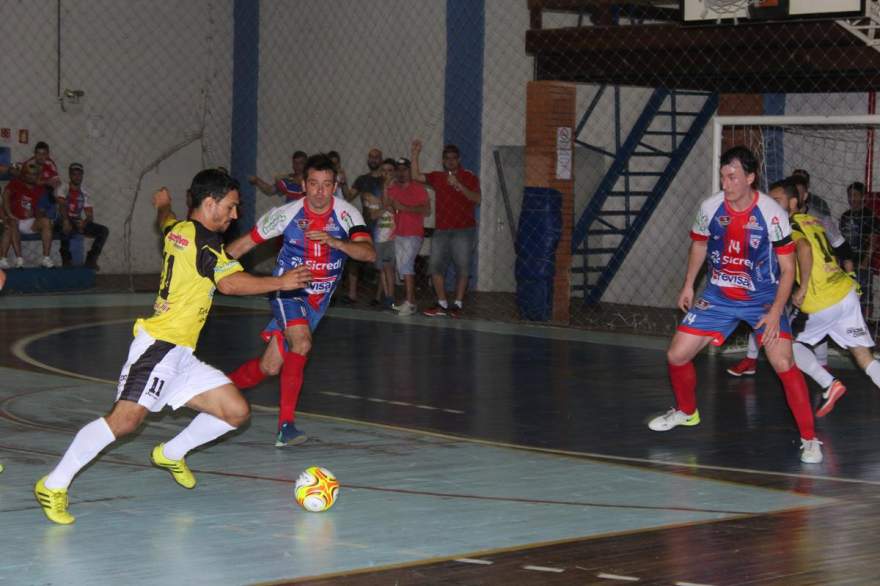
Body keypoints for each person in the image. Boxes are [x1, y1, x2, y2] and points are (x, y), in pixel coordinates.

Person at [33, 170, 313, 525]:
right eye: (230, 206)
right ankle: (53, 484)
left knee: (235, 411)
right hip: (158, 349)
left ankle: (170, 452)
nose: (234, 214)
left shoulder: (179, 230)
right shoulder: (206, 244)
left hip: (180, 353)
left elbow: (165, 221)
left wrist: (163, 205)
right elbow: (230, 285)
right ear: (209, 204)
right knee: (125, 422)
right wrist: (282, 281)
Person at [647, 146, 822, 465]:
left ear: (750, 178)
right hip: (718, 295)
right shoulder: (710, 207)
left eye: (733, 177)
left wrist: (774, 313)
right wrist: (688, 283)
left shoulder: (772, 214)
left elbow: (787, 270)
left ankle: (810, 439)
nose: (725, 183)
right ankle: (687, 412)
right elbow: (699, 243)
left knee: (783, 364)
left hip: (763, 299)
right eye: (723, 176)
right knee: (676, 354)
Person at [225, 154, 375, 446]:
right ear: (304, 185)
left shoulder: (346, 215)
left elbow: (368, 253)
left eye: (327, 185)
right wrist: (204, 268)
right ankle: (286, 427)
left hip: (318, 301)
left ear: (335, 186)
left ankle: (216, 391)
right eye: (314, 184)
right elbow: (243, 245)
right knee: (302, 343)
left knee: (269, 367)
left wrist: (336, 242)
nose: (320, 191)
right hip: (288, 290)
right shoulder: (286, 214)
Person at [768, 179, 880, 417]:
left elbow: (805, 249)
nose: (772, 205)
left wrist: (803, 286)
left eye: (777, 200)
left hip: (822, 298)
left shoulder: (789, 225)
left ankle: (829, 383)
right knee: (863, 355)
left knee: (784, 345)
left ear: (793, 202)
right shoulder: (814, 220)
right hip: (844, 292)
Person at [410, 140, 481, 318]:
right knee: (435, 266)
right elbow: (416, 176)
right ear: (443, 161)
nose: (450, 161)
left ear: (459, 159)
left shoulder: (469, 176)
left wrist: (458, 185)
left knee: (463, 267)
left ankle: (457, 304)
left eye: (453, 158)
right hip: (442, 230)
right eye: (447, 158)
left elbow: (476, 199)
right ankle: (441, 303)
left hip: (464, 230)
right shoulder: (437, 177)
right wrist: (415, 154)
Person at [388, 157, 431, 316]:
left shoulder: (418, 188)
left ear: (409, 171)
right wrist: (386, 185)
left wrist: (404, 208)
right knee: (403, 268)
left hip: (413, 233)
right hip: (398, 232)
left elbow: (427, 211)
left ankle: (410, 302)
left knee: (406, 266)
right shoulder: (393, 188)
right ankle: (410, 302)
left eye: (404, 169)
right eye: (398, 170)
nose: (401, 173)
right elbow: (389, 205)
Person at [344, 148, 385, 304]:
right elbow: (348, 196)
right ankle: (352, 294)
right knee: (354, 258)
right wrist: (343, 182)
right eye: (371, 157)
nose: (373, 159)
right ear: (368, 160)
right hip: (365, 225)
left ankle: (379, 297)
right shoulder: (362, 179)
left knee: (381, 261)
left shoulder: (387, 179)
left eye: (376, 157)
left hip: (384, 226)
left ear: (381, 159)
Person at [55, 162, 110, 269]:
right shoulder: (63, 188)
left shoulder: (84, 193)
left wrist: (84, 223)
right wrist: (66, 220)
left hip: (77, 221)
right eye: (74, 174)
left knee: (103, 231)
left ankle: (91, 259)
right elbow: (61, 206)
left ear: (82, 175)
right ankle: (66, 260)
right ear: (70, 175)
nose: (77, 177)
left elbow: (90, 215)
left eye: (79, 174)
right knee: (66, 226)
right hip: (62, 220)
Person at [0, 162, 55, 268]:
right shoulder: (15, 183)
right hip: (14, 220)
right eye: (28, 173)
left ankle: (46, 258)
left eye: (34, 174)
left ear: (37, 176)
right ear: (24, 174)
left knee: (46, 222)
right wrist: (10, 214)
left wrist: (35, 213)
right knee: (12, 222)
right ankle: (19, 259)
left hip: (30, 221)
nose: (30, 176)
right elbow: (5, 197)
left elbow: (43, 210)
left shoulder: (41, 189)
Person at [839, 181, 877, 319]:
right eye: (850, 195)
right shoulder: (845, 216)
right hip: (846, 264)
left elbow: (874, 240)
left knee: (863, 296)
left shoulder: (869, 216)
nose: (852, 198)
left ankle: (865, 324)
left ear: (863, 197)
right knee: (847, 295)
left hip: (862, 265)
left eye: (855, 195)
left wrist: (866, 261)